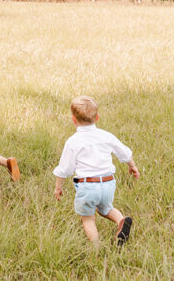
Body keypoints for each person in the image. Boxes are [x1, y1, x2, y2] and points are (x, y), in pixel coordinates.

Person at [52, 95, 140, 245]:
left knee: (87, 218)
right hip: (108, 183)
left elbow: (64, 169)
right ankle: (121, 221)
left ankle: (95, 248)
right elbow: (123, 152)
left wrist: (58, 187)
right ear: (97, 117)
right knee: (106, 208)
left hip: (88, 186)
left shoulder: (73, 141)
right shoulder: (106, 135)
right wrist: (132, 166)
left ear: (73, 120)